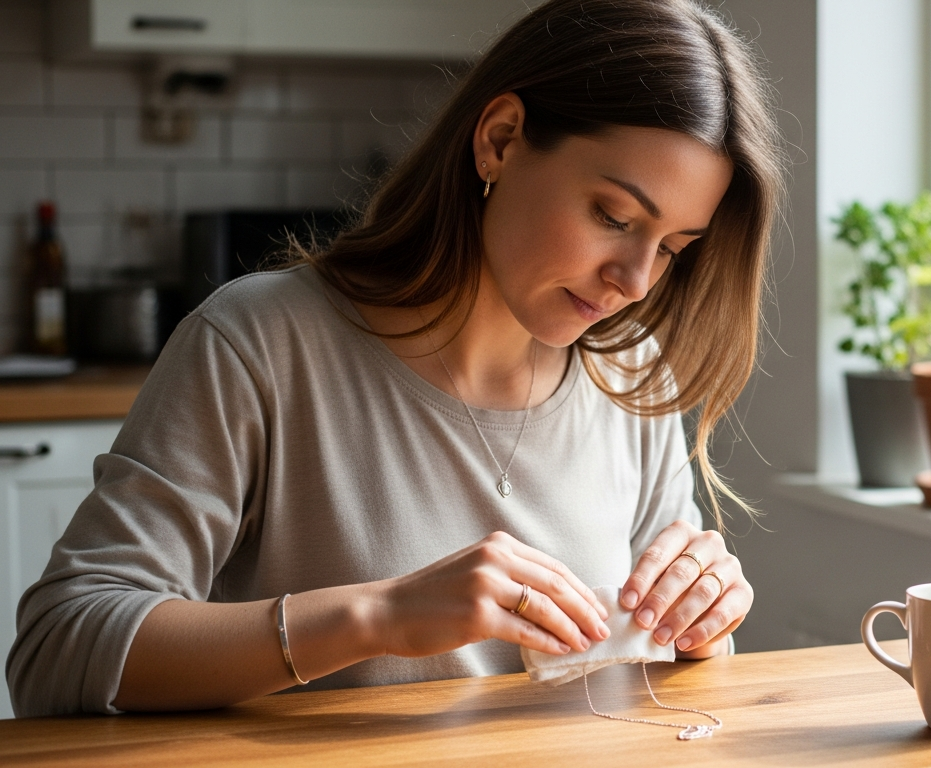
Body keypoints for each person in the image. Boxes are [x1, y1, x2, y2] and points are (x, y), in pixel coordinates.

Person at [6, 0, 783, 717]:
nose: (636, 281)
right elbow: (58, 649)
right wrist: (376, 616)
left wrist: (702, 626)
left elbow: (662, 684)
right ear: (501, 141)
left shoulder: (629, 377)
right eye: (614, 216)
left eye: (674, 249)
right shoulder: (260, 344)